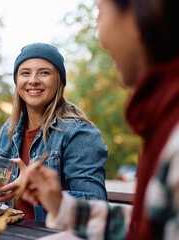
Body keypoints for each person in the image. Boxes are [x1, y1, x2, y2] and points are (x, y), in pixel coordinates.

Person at [21, 0, 179, 239]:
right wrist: (60, 205)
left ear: (135, 15)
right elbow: (146, 224)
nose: (101, 38)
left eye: (100, 14)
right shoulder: (160, 118)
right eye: (25, 73)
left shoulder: (172, 130)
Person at [0, 43, 108, 222]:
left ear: (59, 81)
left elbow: (94, 213)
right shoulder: (8, 130)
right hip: (10, 231)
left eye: (44, 72)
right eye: (25, 73)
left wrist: (37, 186)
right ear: (17, 81)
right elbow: (4, 193)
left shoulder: (79, 134)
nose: (33, 80)